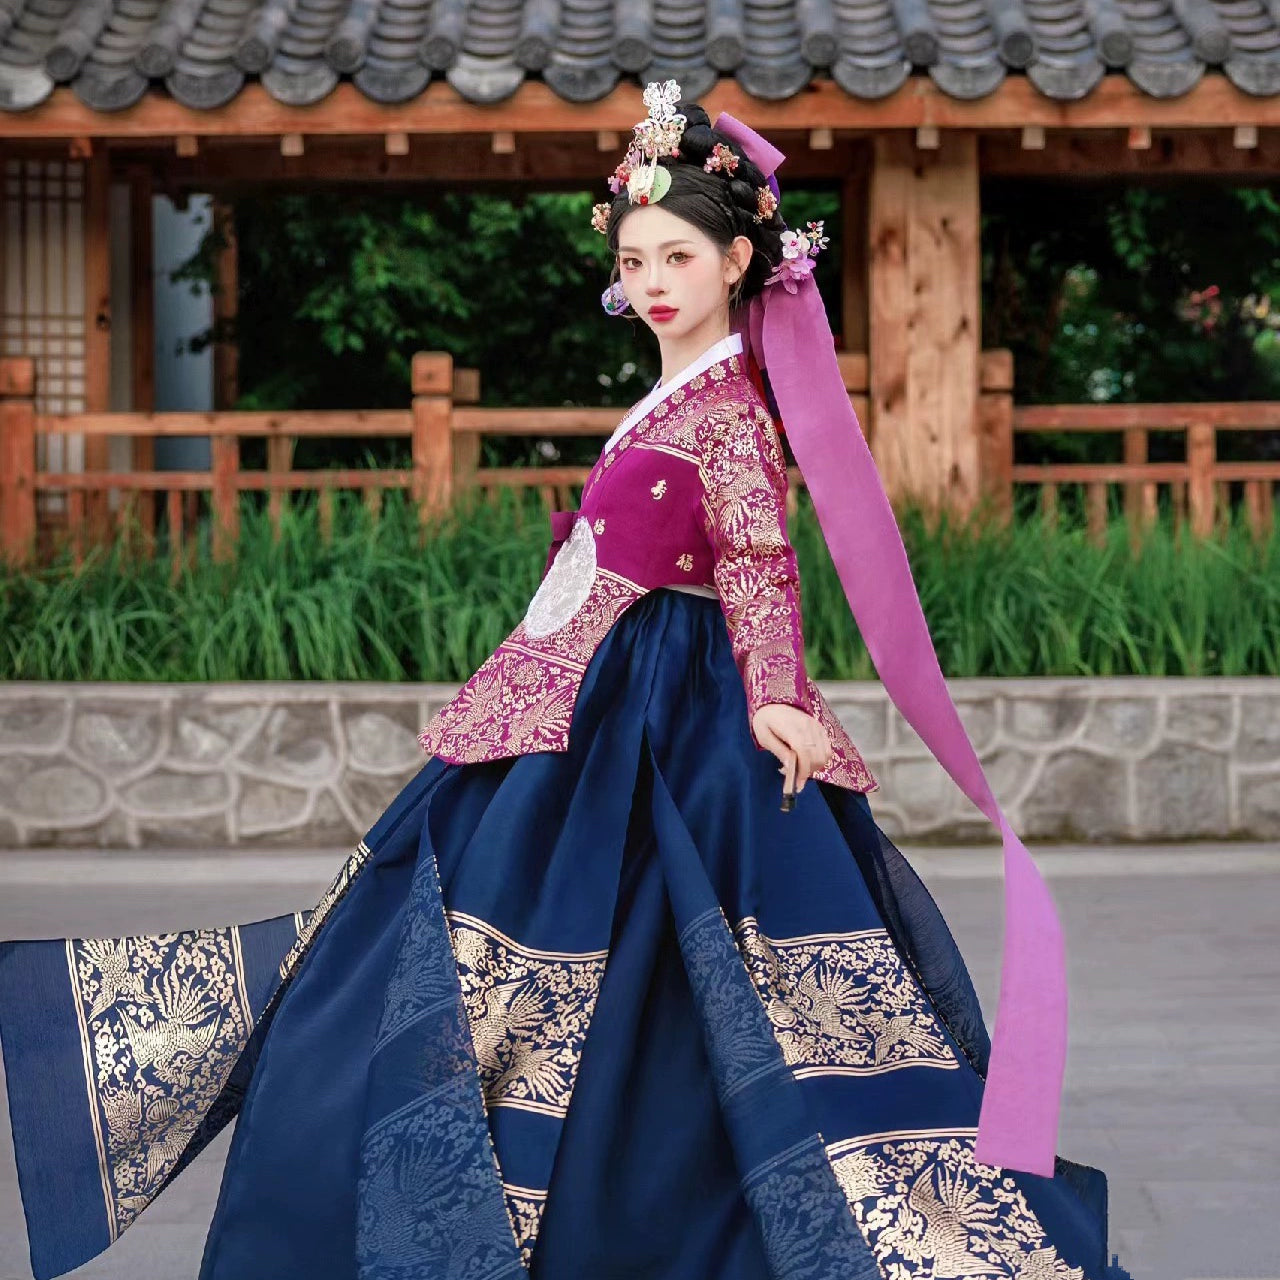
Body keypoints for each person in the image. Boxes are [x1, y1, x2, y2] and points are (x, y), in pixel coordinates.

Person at [0, 83, 1133, 1280]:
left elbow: (757, 556)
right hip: (579, 708)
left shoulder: (732, 413)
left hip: (666, 720)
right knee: (414, 947)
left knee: (659, 980)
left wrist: (776, 695)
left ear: (738, 260)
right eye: (637, 257)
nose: (654, 280)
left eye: (680, 256)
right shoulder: (663, 399)